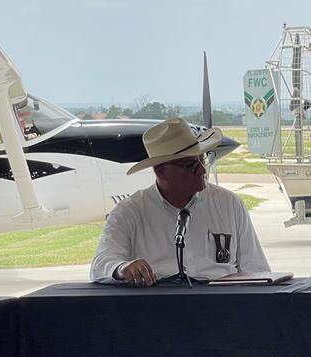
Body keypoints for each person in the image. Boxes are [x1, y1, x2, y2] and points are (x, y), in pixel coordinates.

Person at [90, 117, 270, 285]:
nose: (201, 170)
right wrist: (122, 268)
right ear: (161, 171)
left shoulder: (229, 204)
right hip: (158, 307)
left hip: (222, 308)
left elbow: (256, 270)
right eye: (190, 165)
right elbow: (101, 265)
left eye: (203, 159)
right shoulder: (130, 212)